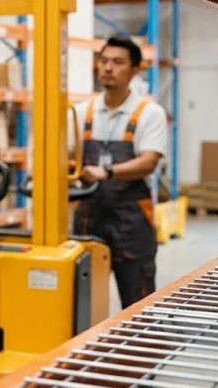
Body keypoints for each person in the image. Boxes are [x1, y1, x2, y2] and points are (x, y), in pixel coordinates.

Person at [73, 35, 167, 309]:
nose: (107, 68)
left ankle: (143, 351)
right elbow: (63, 157)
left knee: (138, 300)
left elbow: (148, 162)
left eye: (117, 62)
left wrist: (107, 172)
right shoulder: (82, 112)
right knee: (82, 302)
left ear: (134, 71)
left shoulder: (150, 113)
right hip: (89, 217)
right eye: (103, 61)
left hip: (131, 221)